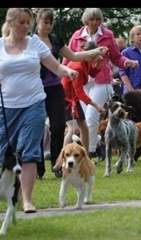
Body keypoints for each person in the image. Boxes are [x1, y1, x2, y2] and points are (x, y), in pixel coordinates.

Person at [0, 8, 79, 214]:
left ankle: (27, 200)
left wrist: (68, 71)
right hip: (6, 108)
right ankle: (13, 191)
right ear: (10, 22)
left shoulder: (35, 44)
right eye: (22, 22)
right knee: (6, 154)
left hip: (34, 104)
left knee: (29, 151)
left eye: (28, 23)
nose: (26, 26)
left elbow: (56, 67)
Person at [34, 8, 108, 178]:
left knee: (59, 127)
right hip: (36, 89)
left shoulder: (55, 40)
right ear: (37, 21)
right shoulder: (31, 41)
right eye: (45, 21)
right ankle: (38, 168)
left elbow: (74, 55)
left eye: (51, 22)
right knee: (37, 128)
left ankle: (57, 165)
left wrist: (95, 52)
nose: (48, 25)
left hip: (55, 88)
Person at [62, 8, 139, 159]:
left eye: (98, 19)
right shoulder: (77, 36)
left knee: (90, 118)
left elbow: (117, 58)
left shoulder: (108, 35)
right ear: (86, 20)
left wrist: (127, 62)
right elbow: (67, 58)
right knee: (83, 121)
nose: (95, 22)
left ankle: (88, 152)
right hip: (81, 81)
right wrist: (62, 72)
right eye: (92, 19)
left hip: (101, 81)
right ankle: (97, 142)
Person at [62, 41, 106, 153]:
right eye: (94, 57)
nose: (96, 59)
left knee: (84, 129)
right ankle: (62, 159)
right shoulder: (78, 66)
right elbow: (80, 93)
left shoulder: (85, 62)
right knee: (73, 129)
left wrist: (98, 65)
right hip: (65, 99)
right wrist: (96, 105)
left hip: (73, 99)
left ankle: (85, 157)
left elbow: (91, 74)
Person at [119, 25, 141, 94]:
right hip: (130, 91)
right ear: (132, 37)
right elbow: (122, 73)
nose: (140, 36)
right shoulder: (126, 53)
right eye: (138, 34)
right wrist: (130, 89)